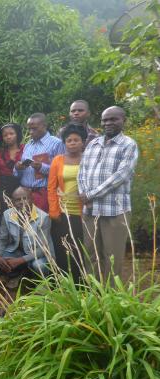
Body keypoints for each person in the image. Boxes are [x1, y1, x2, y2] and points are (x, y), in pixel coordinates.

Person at [78, 106, 138, 282]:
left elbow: (121, 175)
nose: (108, 123)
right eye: (105, 120)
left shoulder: (128, 145)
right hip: (90, 211)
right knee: (91, 256)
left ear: (123, 120)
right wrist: (83, 193)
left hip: (115, 211)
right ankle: (93, 296)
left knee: (112, 258)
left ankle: (112, 299)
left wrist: (91, 194)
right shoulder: (93, 144)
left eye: (113, 119)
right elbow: (82, 172)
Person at [0, 187, 54, 288]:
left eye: (25, 198)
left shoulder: (43, 218)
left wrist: (20, 260)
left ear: (32, 199)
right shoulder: (7, 214)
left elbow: (43, 249)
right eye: (17, 200)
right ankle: (18, 275)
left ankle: (42, 287)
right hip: (17, 251)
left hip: (38, 254)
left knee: (39, 265)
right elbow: (2, 239)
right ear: (12, 202)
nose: (22, 202)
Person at [48, 123, 86, 281]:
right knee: (63, 249)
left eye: (76, 140)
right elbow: (51, 187)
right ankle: (64, 282)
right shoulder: (58, 160)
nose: (72, 143)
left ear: (83, 142)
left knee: (80, 249)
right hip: (62, 213)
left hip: (83, 213)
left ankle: (81, 283)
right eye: (69, 140)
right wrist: (54, 212)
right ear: (64, 143)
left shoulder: (88, 159)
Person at [14, 113, 65, 213]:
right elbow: (19, 173)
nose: (30, 132)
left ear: (44, 126)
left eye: (34, 128)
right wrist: (17, 168)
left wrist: (42, 167)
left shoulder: (57, 143)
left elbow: (62, 171)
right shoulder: (28, 145)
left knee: (41, 225)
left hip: (43, 194)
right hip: (24, 194)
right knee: (25, 225)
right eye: (29, 129)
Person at [0, 123, 24, 212]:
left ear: (17, 134)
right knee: (4, 216)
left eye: (11, 133)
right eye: (5, 135)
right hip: (3, 191)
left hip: (21, 189)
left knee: (22, 216)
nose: (8, 137)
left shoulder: (25, 149)